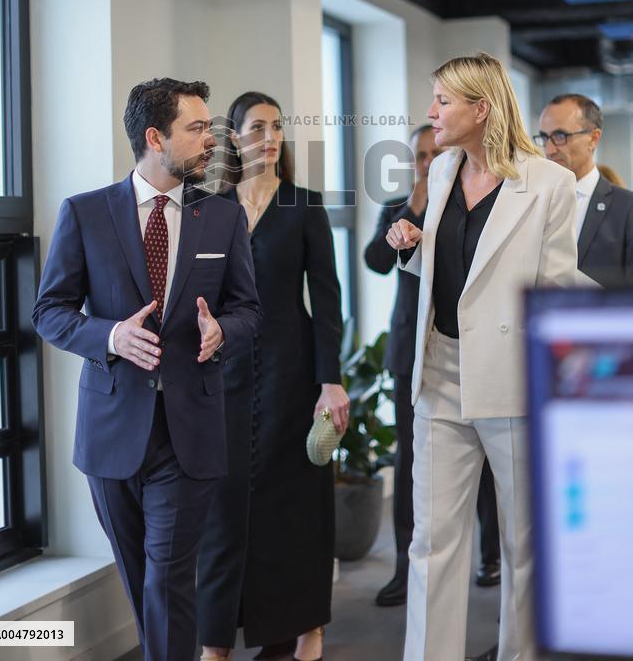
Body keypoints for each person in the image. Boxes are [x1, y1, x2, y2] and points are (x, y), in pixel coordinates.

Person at [33, 78, 261, 661]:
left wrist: (222, 331)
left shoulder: (223, 218)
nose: (211, 139)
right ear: (155, 138)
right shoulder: (85, 213)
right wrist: (110, 334)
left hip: (190, 434)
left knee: (167, 580)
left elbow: (248, 311)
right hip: (111, 434)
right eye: (197, 128)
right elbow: (50, 312)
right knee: (141, 581)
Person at [386, 53, 578, 661]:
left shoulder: (549, 182)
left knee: (524, 549)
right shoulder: (441, 170)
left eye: (443, 100)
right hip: (438, 370)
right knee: (431, 542)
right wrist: (412, 247)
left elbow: (557, 284)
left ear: (481, 108)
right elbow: (454, 274)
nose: (430, 112)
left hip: (511, 378)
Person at [197, 91, 349, 661]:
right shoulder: (208, 208)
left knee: (297, 508)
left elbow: (327, 299)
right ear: (233, 138)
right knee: (225, 511)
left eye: (277, 127)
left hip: (294, 368)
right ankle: (217, 641)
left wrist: (330, 379)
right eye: (257, 127)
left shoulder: (304, 206)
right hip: (226, 370)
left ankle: (307, 628)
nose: (269, 136)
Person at [364, 125, 500, 608]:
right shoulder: (401, 205)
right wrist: (415, 207)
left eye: (433, 152)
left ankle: (490, 554)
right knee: (409, 464)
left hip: (471, 350)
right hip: (411, 351)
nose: (425, 161)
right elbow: (376, 260)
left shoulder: (472, 202)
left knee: (483, 459)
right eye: (419, 155)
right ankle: (405, 566)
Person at [537, 93, 633, 285]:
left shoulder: (627, 209)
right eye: (544, 137)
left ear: (593, 138)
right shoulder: (534, 203)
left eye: (560, 136)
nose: (549, 150)